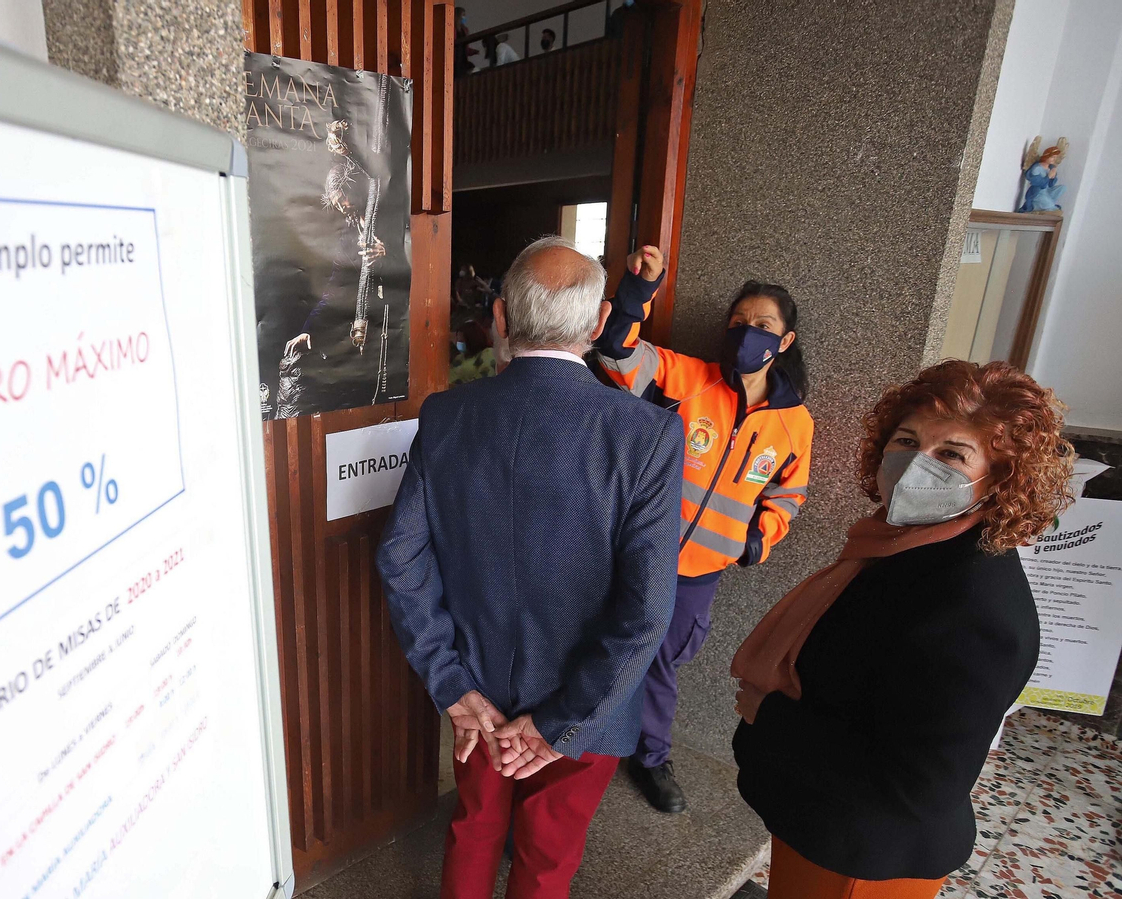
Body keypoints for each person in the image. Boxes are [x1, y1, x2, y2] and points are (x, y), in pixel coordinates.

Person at [378, 236, 684, 899]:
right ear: (601, 323)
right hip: (588, 704)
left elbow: (400, 558)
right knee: (548, 858)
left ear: (500, 318)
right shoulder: (647, 434)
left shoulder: (446, 414)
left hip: (479, 694)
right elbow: (648, 611)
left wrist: (450, 681)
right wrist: (561, 724)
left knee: (475, 826)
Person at [731, 360, 1072, 899]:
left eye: (952, 454)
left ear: (1001, 478)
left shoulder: (976, 609)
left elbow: (919, 789)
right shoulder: (904, 545)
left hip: (863, 855)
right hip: (822, 821)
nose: (917, 465)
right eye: (908, 440)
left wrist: (766, 717)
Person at [592, 246, 814, 814]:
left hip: (698, 576)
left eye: (762, 326)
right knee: (601, 648)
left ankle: (650, 758)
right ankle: (582, 743)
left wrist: (756, 541)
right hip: (635, 553)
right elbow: (615, 350)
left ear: (784, 342)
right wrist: (641, 289)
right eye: (739, 323)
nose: (748, 334)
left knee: (662, 666)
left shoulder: (795, 424)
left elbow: (787, 495)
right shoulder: (686, 377)